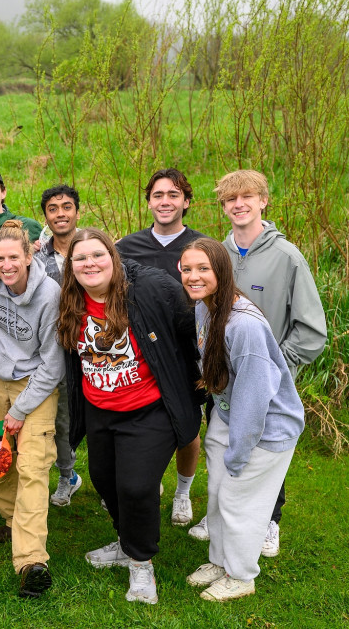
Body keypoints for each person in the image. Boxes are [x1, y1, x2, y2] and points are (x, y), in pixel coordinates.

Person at [59, 228, 203, 605]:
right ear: (70, 267)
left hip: (148, 408)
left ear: (114, 256)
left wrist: (203, 376)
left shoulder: (151, 288)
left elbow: (193, 325)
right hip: (100, 409)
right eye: (81, 258)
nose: (90, 263)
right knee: (104, 480)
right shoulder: (71, 301)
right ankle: (125, 542)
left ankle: (141, 565)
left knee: (137, 487)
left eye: (98, 255)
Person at [193, 169, 326, 557]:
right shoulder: (219, 254)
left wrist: (275, 368)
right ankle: (218, 512)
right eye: (230, 200)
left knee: (266, 448)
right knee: (224, 445)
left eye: (247, 197)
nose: (239, 205)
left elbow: (312, 330)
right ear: (223, 207)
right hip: (222, 383)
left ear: (263, 201)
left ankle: (269, 520)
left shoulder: (287, 257)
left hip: (266, 382)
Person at [179, 238, 304, 601]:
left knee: (239, 501)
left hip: (264, 427)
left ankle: (241, 575)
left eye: (203, 269)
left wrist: (239, 451)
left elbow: (254, 396)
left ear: (222, 270)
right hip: (227, 413)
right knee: (217, 494)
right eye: (187, 269)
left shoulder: (244, 325)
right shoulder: (205, 307)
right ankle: (220, 561)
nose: (194, 276)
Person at [116, 168, 209, 527]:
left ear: (186, 201)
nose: (165, 201)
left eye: (173, 194)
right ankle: (149, 481)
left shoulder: (202, 247)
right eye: (158, 195)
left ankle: (183, 492)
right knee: (143, 424)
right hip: (140, 356)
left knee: (186, 426)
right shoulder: (126, 247)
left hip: (187, 352)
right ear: (149, 201)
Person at [0, 220, 64, 598]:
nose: (7, 265)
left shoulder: (50, 296)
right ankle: (15, 522)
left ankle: (31, 561)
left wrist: (22, 409)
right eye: (0, 258)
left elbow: (54, 363)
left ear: (29, 256)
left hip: (38, 383)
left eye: (14, 257)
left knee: (32, 464)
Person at [34, 184, 86, 508]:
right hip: (57, 348)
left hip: (97, 346)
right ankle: (68, 476)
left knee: (102, 417)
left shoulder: (94, 246)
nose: (60, 213)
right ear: (46, 216)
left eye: (66, 206)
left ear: (77, 211)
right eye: (53, 209)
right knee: (62, 419)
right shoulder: (37, 256)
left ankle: (117, 479)